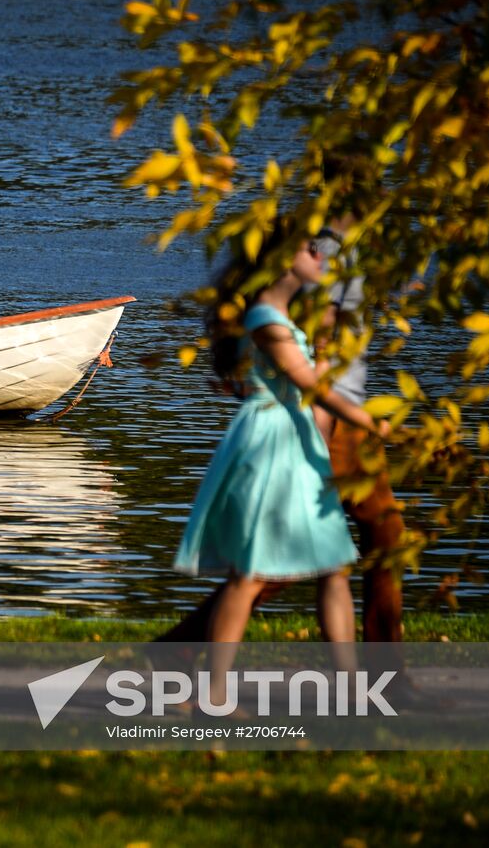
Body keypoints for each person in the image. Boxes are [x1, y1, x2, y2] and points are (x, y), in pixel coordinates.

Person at [156, 223, 413, 679]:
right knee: (252, 574)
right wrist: (375, 423)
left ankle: (352, 689)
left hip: (299, 437)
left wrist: (331, 344)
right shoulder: (265, 320)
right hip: (274, 444)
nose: (320, 256)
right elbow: (311, 385)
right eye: (310, 249)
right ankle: (213, 692)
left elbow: (317, 374)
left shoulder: (286, 318)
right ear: (278, 261)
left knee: (334, 566)